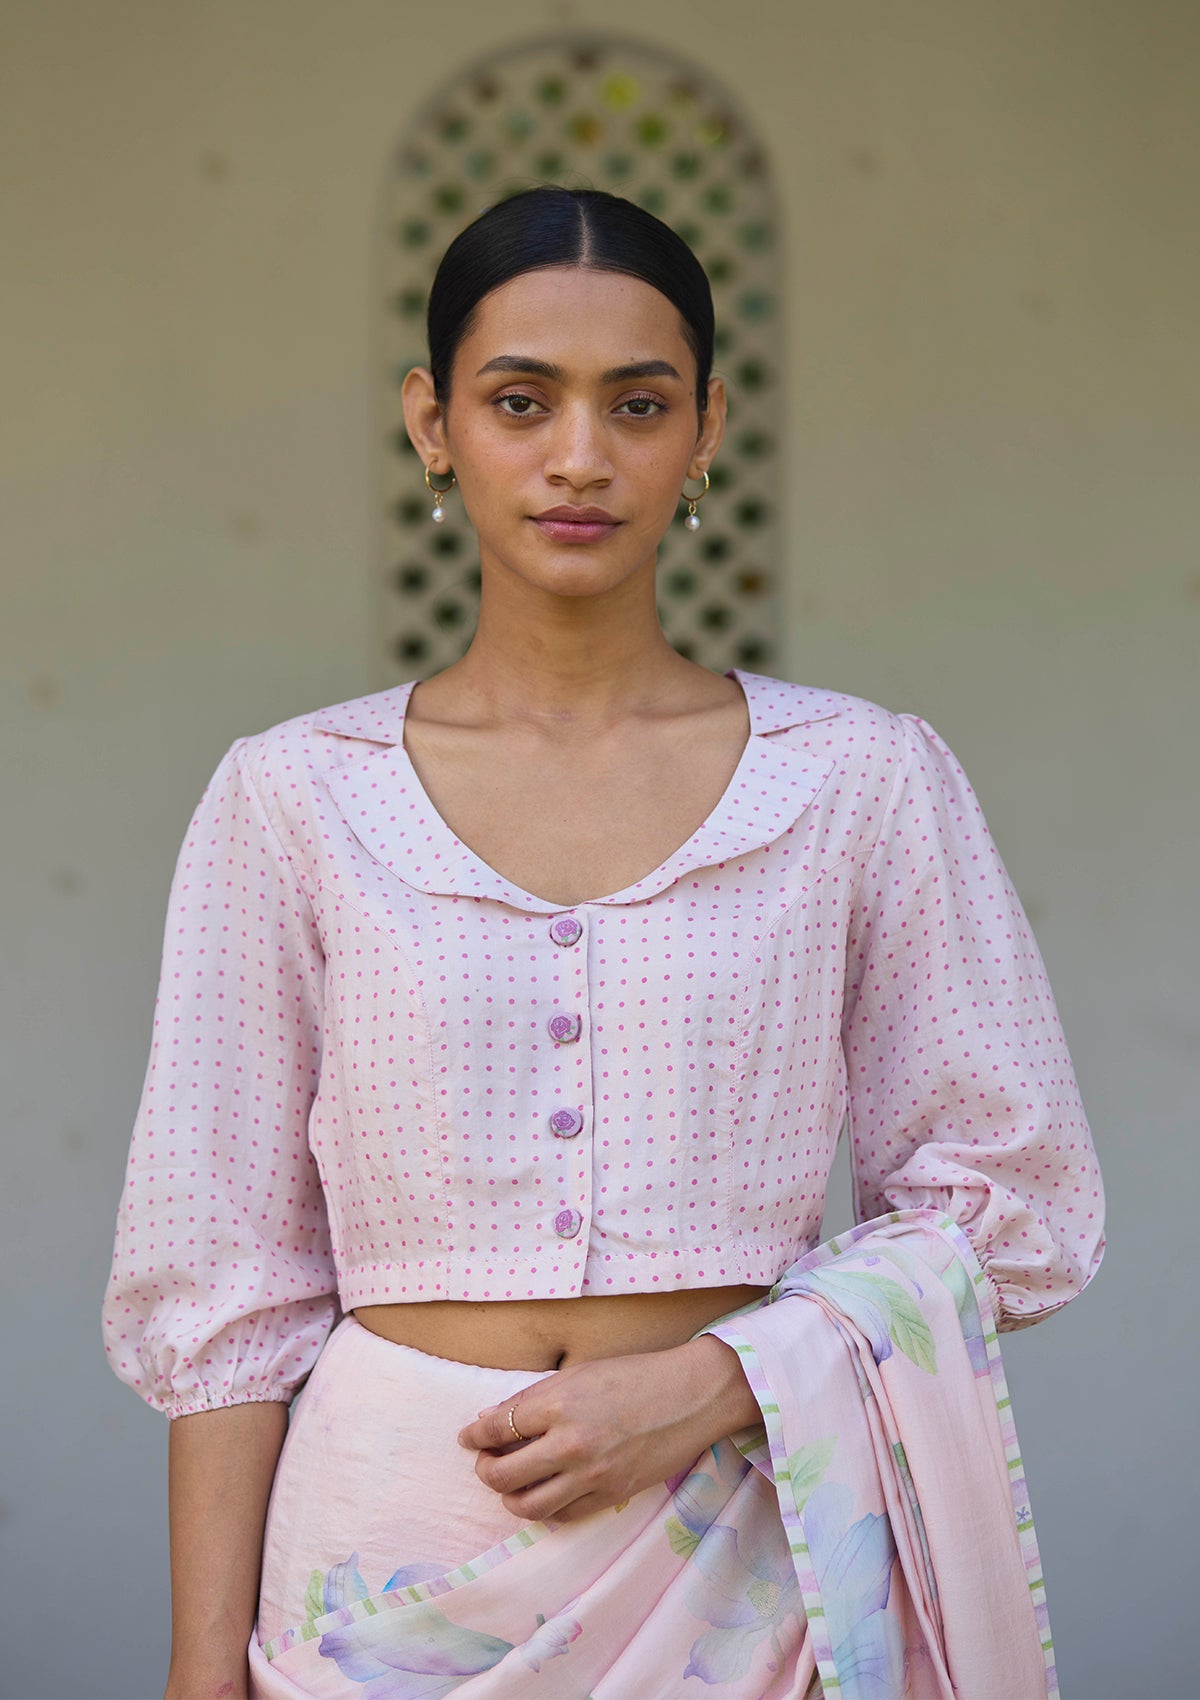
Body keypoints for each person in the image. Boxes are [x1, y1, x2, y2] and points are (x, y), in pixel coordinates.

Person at [102, 187, 1105, 1700]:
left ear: (706, 428)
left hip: (743, 1557)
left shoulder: (858, 780)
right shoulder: (296, 797)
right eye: (521, 401)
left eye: (637, 404)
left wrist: (713, 1384)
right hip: (383, 1568)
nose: (580, 456)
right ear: (433, 424)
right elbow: (227, 1284)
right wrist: (198, 1667)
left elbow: (1010, 1201)